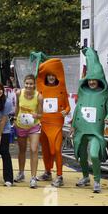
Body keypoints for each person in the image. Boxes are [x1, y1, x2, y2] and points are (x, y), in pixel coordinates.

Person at [71, 47, 108, 193]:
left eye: (95, 80)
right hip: (81, 130)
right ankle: (85, 177)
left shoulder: (103, 94)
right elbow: (77, 109)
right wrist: (73, 125)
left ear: (99, 81)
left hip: (95, 131)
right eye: (90, 80)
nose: (92, 82)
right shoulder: (83, 92)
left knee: (94, 154)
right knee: (81, 154)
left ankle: (97, 181)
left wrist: (107, 118)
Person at [33, 55, 70, 188]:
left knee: (56, 150)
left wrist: (66, 111)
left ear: (56, 76)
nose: (51, 77)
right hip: (43, 124)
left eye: (53, 75)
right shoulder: (41, 89)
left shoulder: (61, 90)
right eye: (49, 75)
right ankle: (48, 172)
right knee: (46, 150)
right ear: (46, 76)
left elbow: (67, 106)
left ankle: (59, 176)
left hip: (56, 124)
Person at [14, 74, 43, 188]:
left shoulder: (39, 97)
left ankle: (33, 177)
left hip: (34, 126)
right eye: (27, 83)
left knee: (34, 149)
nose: (29, 86)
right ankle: (21, 173)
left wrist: (37, 115)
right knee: (22, 150)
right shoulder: (19, 93)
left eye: (31, 84)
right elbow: (17, 107)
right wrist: (15, 119)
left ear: (34, 84)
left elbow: (41, 114)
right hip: (21, 125)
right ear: (24, 83)